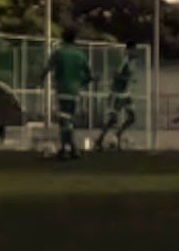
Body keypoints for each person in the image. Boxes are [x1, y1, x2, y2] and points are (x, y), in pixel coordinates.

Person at [43, 26, 94, 160]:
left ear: (63, 38)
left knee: (64, 119)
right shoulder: (80, 54)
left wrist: (39, 78)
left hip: (62, 89)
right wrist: (79, 83)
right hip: (75, 91)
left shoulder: (59, 52)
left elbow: (47, 68)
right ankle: (69, 149)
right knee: (67, 119)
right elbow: (89, 76)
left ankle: (68, 149)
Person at [96, 41, 139, 150]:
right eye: (132, 50)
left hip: (126, 94)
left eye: (135, 50)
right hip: (118, 94)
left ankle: (117, 135)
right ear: (128, 50)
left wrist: (130, 80)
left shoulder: (132, 61)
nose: (134, 52)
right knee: (113, 119)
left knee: (132, 118)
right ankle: (99, 140)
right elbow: (116, 75)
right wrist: (129, 79)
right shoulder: (124, 61)